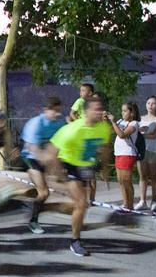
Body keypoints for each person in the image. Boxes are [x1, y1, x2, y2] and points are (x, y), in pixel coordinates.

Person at [47, 96, 112, 256]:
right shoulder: (72, 130)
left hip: (84, 166)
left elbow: (105, 149)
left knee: (80, 205)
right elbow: (51, 152)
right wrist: (57, 173)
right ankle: (75, 241)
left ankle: (48, 207)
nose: (98, 112)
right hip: (68, 164)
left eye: (100, 109)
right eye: (95, 109)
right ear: (86, 111)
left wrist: (104, 170)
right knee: (82, 203)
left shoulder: (103, 128)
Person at [0, 97, 66, 233]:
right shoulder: (36, 124)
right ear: (46, 110)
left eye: (59, 111)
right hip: (30, 158)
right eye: (54, 111)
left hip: (45, 158)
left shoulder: (59, 122)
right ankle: (33, 221)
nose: (57, 114)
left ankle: (12, 192)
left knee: (38, 192)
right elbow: (32, 148)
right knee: (44, 192)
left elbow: (61, 142)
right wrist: (52, 163)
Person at [107, 102, 140, 211]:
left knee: (126, 181)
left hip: (128, 154)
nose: (123, 113)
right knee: (120, 180)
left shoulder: (134, 123)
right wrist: (107, 121)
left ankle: (130, 205)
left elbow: (122, 135)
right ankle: (125, 204)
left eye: (125, 111)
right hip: (119, 153)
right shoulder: (120, 121)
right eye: (122, 110)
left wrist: (113, 121)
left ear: (132, 112)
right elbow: (111, 131)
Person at [136, 96, 156, 211]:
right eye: (148, 103)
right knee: (142, 175)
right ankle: (142, 201)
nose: (150, 105)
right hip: (141, 150)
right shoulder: (139, 119)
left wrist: (142, 133)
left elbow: (155, 135)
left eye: (153, 103)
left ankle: (154, 201)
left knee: (154, 176)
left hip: (154, 150)